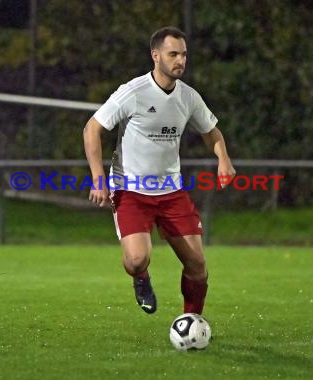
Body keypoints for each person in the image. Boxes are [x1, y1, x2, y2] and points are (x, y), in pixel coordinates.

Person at [83, 26, 235, 316]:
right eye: (173, 54)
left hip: (171, 191)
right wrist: (98, 180)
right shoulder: (132, 92)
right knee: (137, 260)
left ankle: (193, 321)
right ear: (156, 56)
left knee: (197, 265)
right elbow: (92, 129)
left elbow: (212, 132)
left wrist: (223, 158)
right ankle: (141, 278)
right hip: (131, 189)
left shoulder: (188, 97)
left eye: (184, 54)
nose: (181, 60)